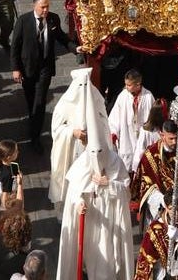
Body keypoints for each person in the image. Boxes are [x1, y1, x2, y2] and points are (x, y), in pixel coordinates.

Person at [57, 85, 134, 280]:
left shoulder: (115, 162)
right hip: (90, 221)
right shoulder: (83, 164)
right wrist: (78, 202)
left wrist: (109, 183)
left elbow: (126, 191)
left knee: (106, 266)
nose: (97, 158)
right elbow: (74, 191)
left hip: (110, 225)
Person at [9, 0, 74, 152]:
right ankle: (33, 121)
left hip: (45, 68)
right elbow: (15, 46)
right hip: (28, 68)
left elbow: (61, 37)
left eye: (47, 6)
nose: (45, 10)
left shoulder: (53, 19)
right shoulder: (23, 21)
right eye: (42, 7)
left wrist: (75, 48)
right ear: (35, 6)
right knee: (31, 100)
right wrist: (16, 69)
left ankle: (35, 138)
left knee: (39, 101)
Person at [49, 67, 109, 206]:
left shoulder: (96, 99)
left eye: (86, 86)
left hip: (91, 148)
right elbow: (56, 129)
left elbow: (104, 122)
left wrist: (94, 132)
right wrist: (72, 132)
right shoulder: (65, 103)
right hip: (71, 150)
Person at [108, 70, 156, 173]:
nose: (126, 87)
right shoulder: (123, 96)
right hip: (127, 136)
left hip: (143, 136)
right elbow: (115, 116)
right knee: (126, 166)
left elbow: (153, 118)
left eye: (129, 85)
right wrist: (113, 132)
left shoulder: (148, 96)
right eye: (126, 84)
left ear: (138, 84)